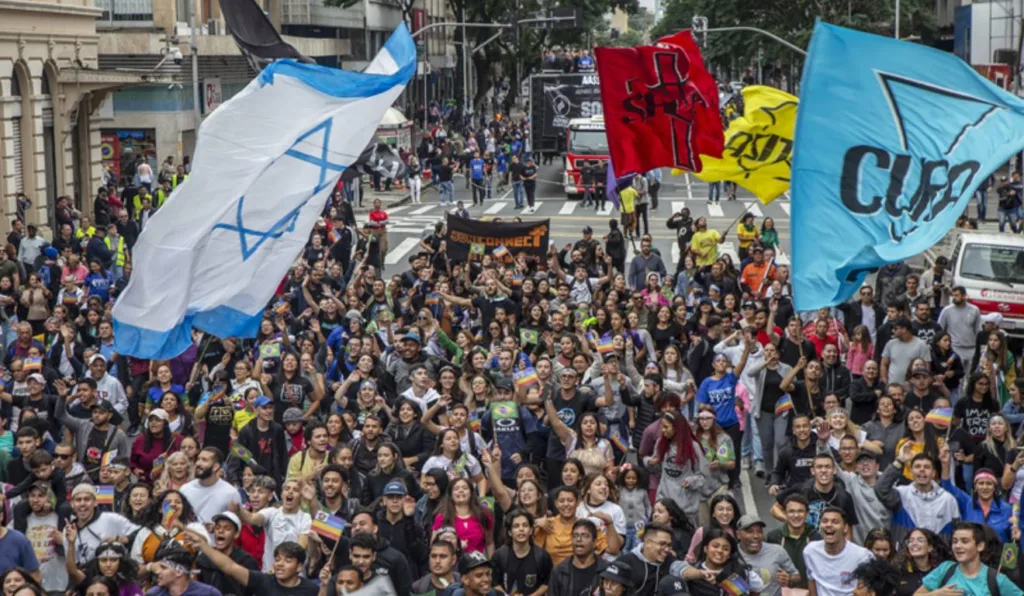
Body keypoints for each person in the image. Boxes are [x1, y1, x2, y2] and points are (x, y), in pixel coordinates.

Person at [184, 532, 320, 596]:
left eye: (288, 561)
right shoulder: (263, 581)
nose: (280, 564)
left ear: (299, 566)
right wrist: (203, 546)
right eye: (278, 559)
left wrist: (324, 586)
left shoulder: (311, 589)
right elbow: (230, 567)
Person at [916, 522, 1022, 595]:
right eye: (955, 541)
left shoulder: (996, 579)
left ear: (980, 546)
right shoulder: (945, 569)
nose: (957, 546)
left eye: (965, 541)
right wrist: (936, 594)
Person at [802, 507, 873, 596]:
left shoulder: (862, 556)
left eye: (835, 522)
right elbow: (812, 583)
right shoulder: (810, 551)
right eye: (824, 521)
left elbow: (866, 591)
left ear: (845, 528)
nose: (829, 525)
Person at [194, 512, 261, 596]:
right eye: (217, 527)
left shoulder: (246, 561)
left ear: (236, 534)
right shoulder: (203, 559)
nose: (221, 531)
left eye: (227, 528)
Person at [178, 447, 242, 525]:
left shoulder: (231, 493)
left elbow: (235, 525)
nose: (198, 463)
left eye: (204, 460)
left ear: (215, 467)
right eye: (198, 459)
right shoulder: (185, 489)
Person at [548, 519, 607, 596]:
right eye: (575, 535)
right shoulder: (558, 572)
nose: (579, 539)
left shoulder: (606, 571)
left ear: (594, 542)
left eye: (585, 536)